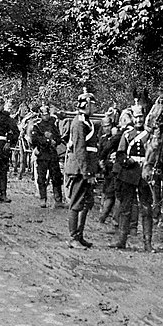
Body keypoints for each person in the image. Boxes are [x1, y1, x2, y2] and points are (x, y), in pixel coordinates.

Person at [109, 101, 155, 252]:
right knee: (126, 207)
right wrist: (127, 161)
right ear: (132, 118)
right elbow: (121, 154)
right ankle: (122, 239)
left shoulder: (150, 135)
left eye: (141, 117)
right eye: (136, 117)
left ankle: (147, 242)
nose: (138, 120)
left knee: (146, 208)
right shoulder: (127, 134)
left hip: (144, 174)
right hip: (129, 173)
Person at [64, 89, 99, 249]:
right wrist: (87, 173)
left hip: (86, 169)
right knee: (77, 203)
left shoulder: (86, 121)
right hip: (79, 170)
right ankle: (73, 237)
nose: (95, 107)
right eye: (93, 104)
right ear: (87, 105)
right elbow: (80, 150)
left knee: (86, 203)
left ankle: (79, 235)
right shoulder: (79, 123)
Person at [30, 105, 64, 208]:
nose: (46, 116)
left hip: (53, 155)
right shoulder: (37, 126)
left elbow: (59, 138)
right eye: (44, 114)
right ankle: (43, 198)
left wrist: (55, 141)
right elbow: (35, 140)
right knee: (41, 178)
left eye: (47, 114)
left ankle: (58, 200)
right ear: (40, 115)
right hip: (42, 154)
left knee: (56, 178)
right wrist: (47, 140)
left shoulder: (53, 125)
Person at [98, 111, 123, 225]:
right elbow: (100, 153)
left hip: (116, 167)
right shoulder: (103, 139)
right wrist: (101, 163)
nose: (107, 128)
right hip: (107, 168)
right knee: (107, 191)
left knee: (115, 193)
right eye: (104, 127)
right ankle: (104, 215)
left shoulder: (117, 137)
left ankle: (112, 218)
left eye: (108, 126)